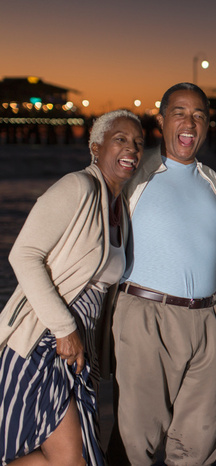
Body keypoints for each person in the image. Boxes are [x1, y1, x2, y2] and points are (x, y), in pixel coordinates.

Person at [0, 110, 144, 465]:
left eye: (139, 143)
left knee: (64, 458)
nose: (132, 148)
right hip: (42, 343)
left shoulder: (119, 208)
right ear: (96, 147)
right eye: (121, 139)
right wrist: (64, 329)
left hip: (75, 352)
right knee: (71, 458)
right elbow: (24, 255)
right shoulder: (77, 186)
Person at [110, 83, 216, 465]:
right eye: (180, 112)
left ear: (207, 126)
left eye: (199, 115)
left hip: (208, 321)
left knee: (200, 444)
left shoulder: (213, 181)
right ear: (161, 120)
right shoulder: (135, 173)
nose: (190, 122)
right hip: (146, 318)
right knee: (138, 440)